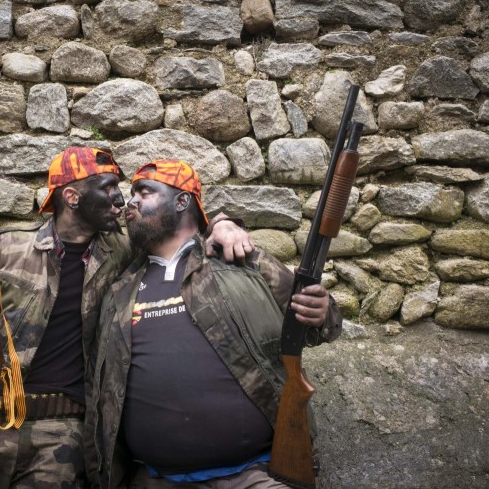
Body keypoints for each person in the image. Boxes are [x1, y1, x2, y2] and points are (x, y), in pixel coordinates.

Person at [0, 147, 254, 489]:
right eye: (108, 189)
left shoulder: (124, 252)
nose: (120, 200)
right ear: (72, 196)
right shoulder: (5, 249)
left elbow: (175, 228)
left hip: (61, 432)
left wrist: (224, 224)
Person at [86, 159, 342, 488]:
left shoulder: (242, 261)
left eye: (145, 192)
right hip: (154, 479)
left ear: (182, 201)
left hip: (254, 476)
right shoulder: (120, 289)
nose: (131, 201)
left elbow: (326, 324)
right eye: (131, 193)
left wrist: (321, 310)